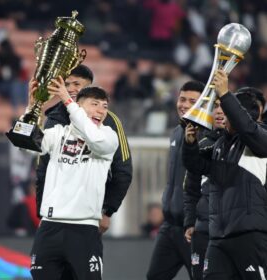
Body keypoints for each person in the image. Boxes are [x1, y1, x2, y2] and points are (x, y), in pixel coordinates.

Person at [29, 81, 118, 280]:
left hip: (84, 229)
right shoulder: (58, 133)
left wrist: (68, 101)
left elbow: (95, 140)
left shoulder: (108, 136)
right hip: (50, 227)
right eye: (94, 104)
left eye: (104, 106)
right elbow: (26, 144)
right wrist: (31, 108)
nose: (101, 111)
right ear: (79, 106)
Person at [183, 70, 267, 279]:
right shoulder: (220, 143)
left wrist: (225, 94)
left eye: (225, 109)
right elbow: (196, 165)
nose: (220, 113)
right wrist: (190, 144)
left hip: (249, 234)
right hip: (219, 236)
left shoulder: (258, 139)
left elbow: (247, 128)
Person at [36, 65, 132, 234]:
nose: (71, 89)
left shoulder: (109, 122)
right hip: (53, 216)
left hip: (88, 217)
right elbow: (42, 166)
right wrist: (41, 210)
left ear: (89, 88)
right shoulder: (53, 119)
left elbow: (122, 169)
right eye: (66, 85)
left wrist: (108, 210)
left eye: (76, 84)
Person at [147, 80, 204, 280]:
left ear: (203, 104)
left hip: (193, 227)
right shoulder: (177, 131)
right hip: (169, 224)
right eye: (182, 99)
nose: (184, 105)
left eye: (191, 101)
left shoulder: (206, 135)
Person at [183, 98, 226, 280]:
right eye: (215, 106)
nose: (218, 111)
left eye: (224, 107)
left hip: (230, 230)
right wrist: (190, 221)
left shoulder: (246, 144)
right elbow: (191, 188)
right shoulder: (201, 145)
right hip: (203, 228)